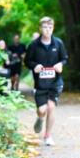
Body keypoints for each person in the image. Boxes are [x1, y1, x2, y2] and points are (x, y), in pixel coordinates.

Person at [25, 17, 68, 146]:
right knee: (42, 110)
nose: (47, 30)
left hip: (55, 82)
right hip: (40, 84)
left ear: (53, 28)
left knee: (50, 107)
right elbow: (27, 61)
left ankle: (48, 135)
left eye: (50, 27)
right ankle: (39, 118)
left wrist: (61, 64)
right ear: (40, 28)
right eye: (45, 27)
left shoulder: (58, 43)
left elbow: (64, 58)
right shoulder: (33, 45)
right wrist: (35, 66)